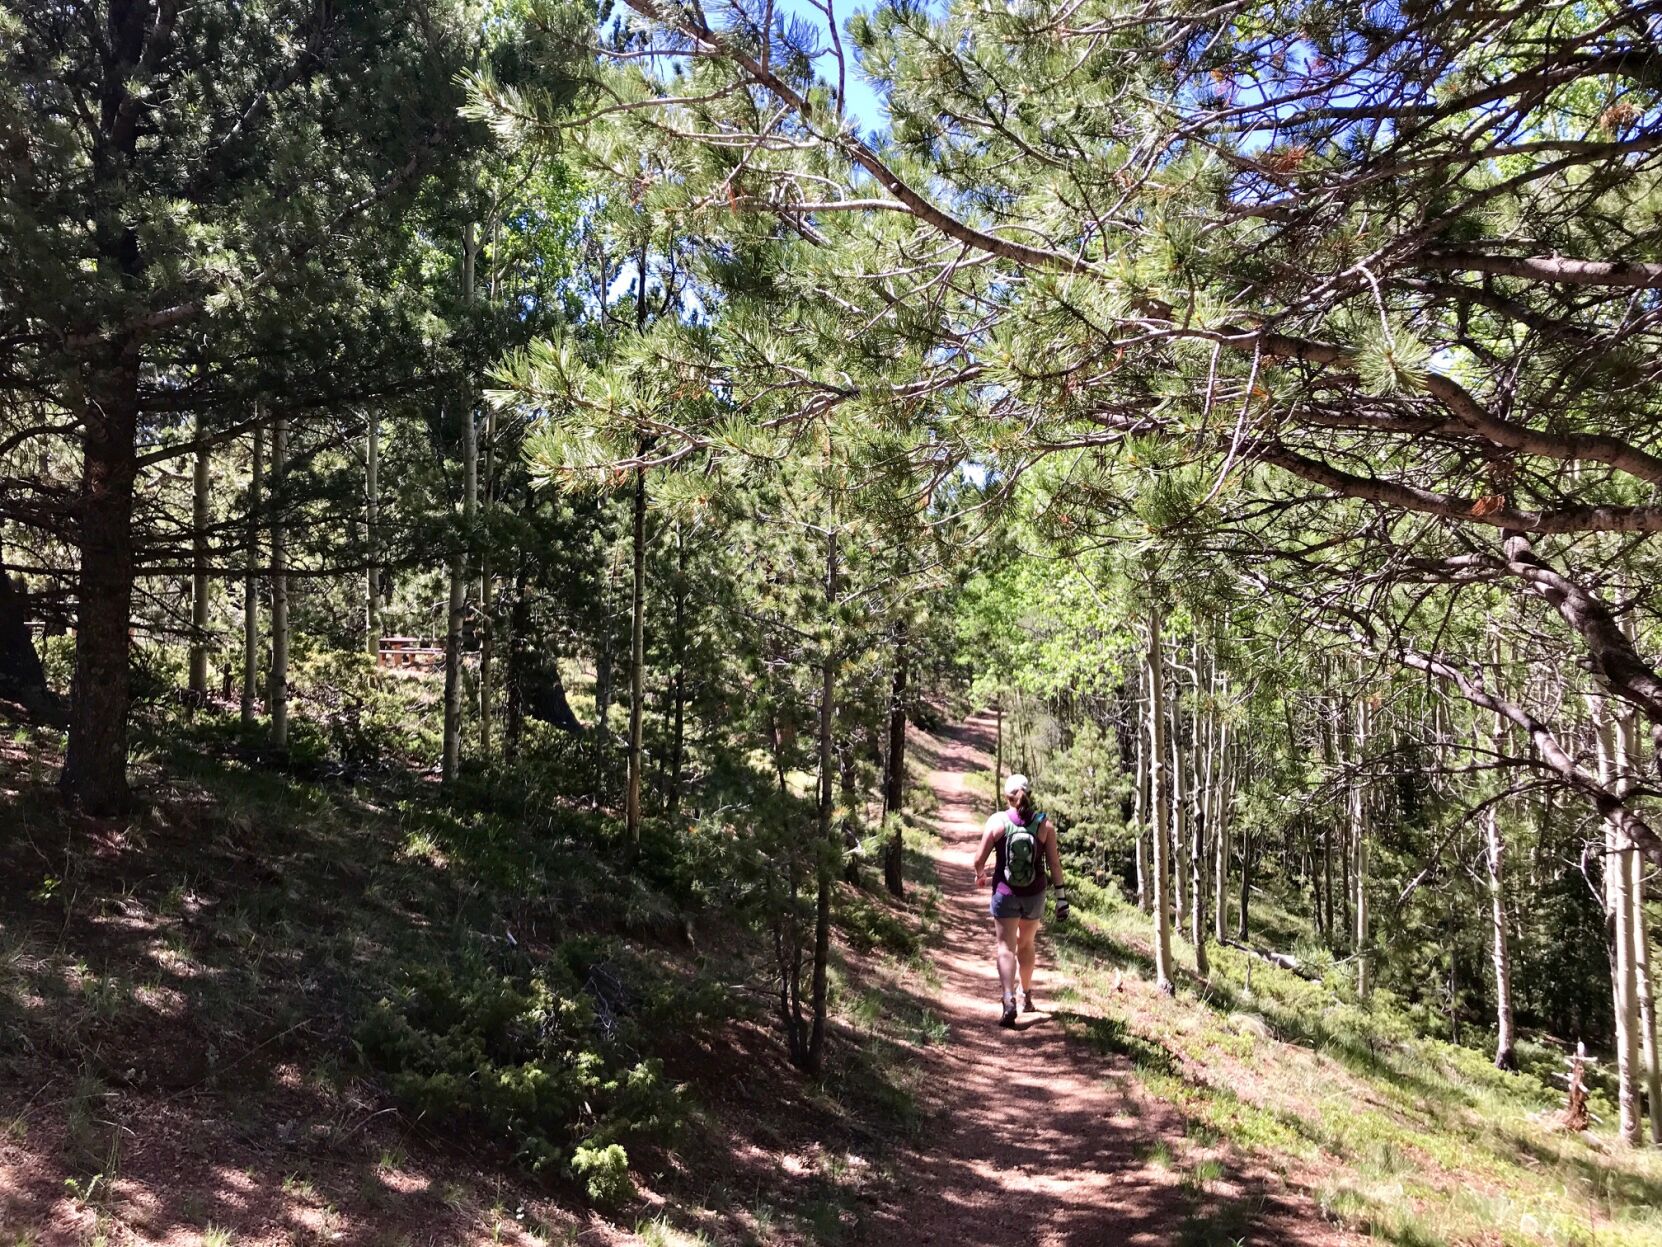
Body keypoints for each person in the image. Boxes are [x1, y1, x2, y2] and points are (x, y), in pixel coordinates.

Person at [972, 773, 1068, 1027]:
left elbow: (978, 860)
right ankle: (1027, 996)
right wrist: (1061, 898)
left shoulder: (998, 821)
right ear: (1028, 794)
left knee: (1005, 947)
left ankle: (1008, 998)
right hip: (1034, 895)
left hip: (1005, 894)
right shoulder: (1044, 825)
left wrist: (981, 875)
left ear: (1006, 796)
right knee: (1026, 944)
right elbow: (1055, 865)